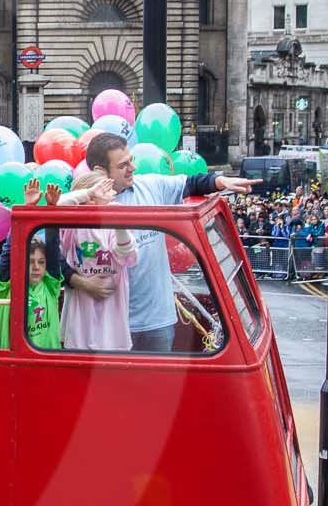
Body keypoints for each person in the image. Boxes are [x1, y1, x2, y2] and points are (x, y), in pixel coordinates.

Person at [80, 132, 255, 353]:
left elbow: (191, 183)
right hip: (112, 324)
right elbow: (61, 254)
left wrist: (221, 181)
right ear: (100, 171)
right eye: (123, 165)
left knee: (158, 387)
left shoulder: (150, 186)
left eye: (131, 160)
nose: (132, 167)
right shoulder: (84, 206)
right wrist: (80, 282)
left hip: (158, 321)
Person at [55, 188, 141, 351]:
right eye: (104, 191)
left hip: (112, 331)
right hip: (78, 327)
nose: (112, 194)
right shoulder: (72, 227)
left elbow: (126, 253)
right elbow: (53, 207)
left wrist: (120, 225)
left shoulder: (114, 226)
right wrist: (86, 193)